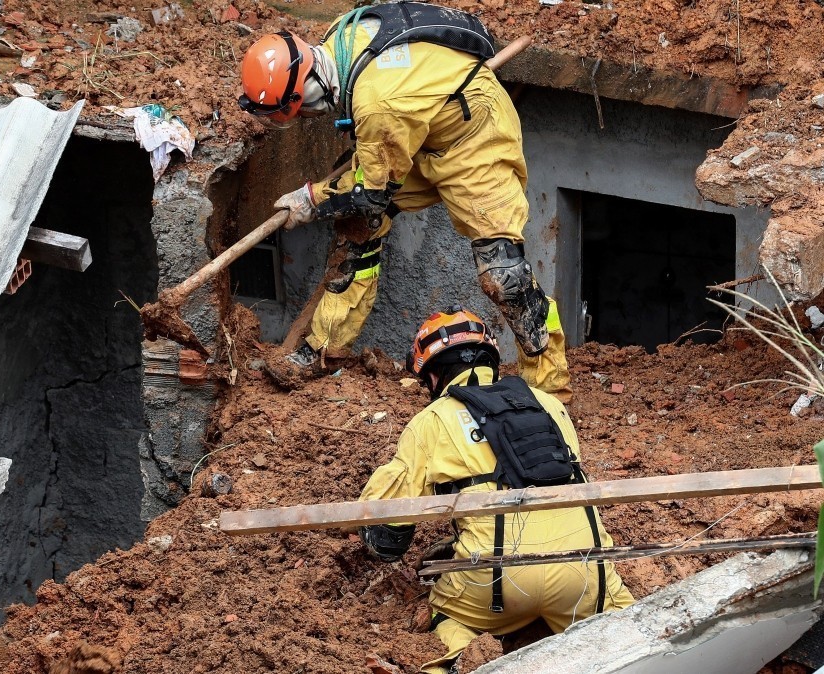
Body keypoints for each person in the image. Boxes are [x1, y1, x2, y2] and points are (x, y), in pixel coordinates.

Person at [237, 2, 571, 401]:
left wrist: (311, 201)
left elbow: (369, 194)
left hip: (473, 132)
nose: (306, 118)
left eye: (299, 111)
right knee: (361, 229)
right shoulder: (337, 44)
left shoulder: (376, 103)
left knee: (503, 273)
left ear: (307, 90)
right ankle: (325, 348)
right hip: (421, 130)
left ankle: (550, 389)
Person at [357, 307, 633, 673]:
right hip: (582, 572)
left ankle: (462, 659)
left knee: (446, 616)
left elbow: (386, 535)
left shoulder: (431, 420)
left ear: (434, 374)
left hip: (497, 586)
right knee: (630, 631)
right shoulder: (549, 404)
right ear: (491, 360)